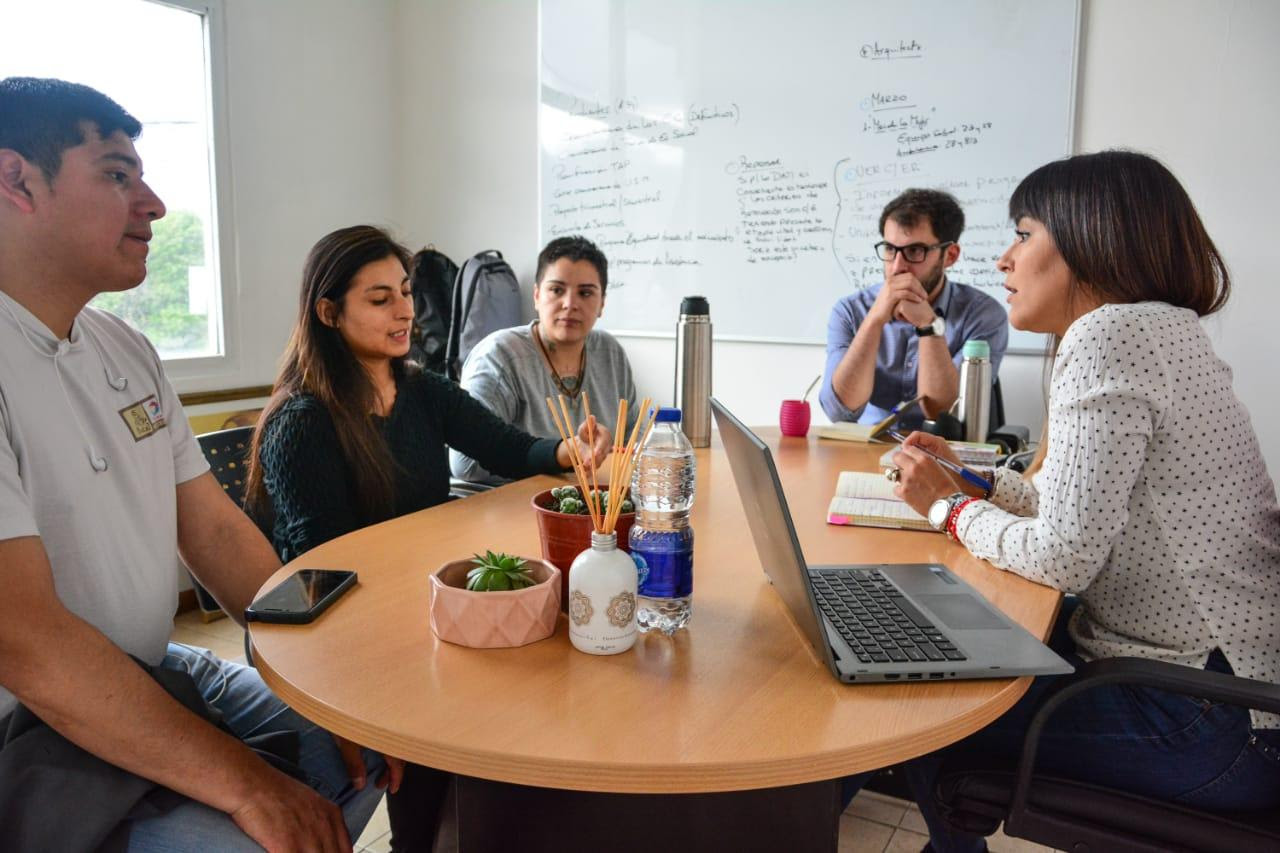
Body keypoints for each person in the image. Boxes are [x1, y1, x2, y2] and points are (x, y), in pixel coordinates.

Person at [0, 77, 394, 850]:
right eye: (117, 174)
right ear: (16, 180)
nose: (152, 203)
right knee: (253, 833)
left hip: (155, 664)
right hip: (31, 722)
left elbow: (212, 528)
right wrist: (248, 785)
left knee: (366, 745)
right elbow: (27, 642)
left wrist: (334, 683)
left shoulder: (124, 348)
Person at [873, 150, 1280, 852]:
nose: (1005, 259)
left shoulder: (1108, 332)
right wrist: (974, 479)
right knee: (935, 653)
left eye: (1024, 234)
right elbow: (1074, 503)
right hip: (1226, 694)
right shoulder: (1162, 327)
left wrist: (946, 508)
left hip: (1205, 714)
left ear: (1094, 237)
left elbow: (1066, 553)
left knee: (918, 704)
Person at [245, 225, 611, 850]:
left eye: (408, 292)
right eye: (380, 298)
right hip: (358, 633)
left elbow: (505, 446)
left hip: (423, 607)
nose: (407, 309)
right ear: (329, 313)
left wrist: (564, 448)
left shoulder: (420, 388)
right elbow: (320, 570)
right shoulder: (303, 421)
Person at [450, 235, 638, 486]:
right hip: (506, 507)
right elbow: (465, 463)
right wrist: (562, 455)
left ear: (602, 303)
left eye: (585, 293)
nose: (570, 304)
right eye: (557, 290)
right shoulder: (498, 357)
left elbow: (631, 440)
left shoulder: (610, 353)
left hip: (585, 505)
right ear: (537, 296)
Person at [820, 188, 1007, 430]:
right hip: (866, 450)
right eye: (889, 249)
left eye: (914, 251)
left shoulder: (983, 315)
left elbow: (946, 413)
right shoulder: (850, 311)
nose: (897, 267)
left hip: (941, 454)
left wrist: (929, 326)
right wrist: (875, 320)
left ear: (949, 255)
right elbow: (839, 411)